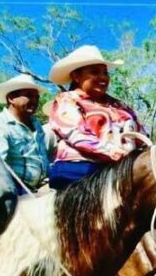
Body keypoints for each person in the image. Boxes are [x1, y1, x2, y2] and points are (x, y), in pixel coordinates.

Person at [47, 45, 143, 190]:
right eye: (94, 72)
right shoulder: (67, 100)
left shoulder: (120, 106)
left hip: (120, 169)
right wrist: (114, 152)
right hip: (79, 169)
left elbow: (141, 136)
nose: (103, 78)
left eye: (105, 73)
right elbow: (77, 135)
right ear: (76, 76)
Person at [0, 73, 54, 193]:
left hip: (40, 187)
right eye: (28, 96)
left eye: (37, 97)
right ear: (11, 99)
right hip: (14, 190)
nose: (34, 101)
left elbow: (41, 158)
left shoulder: (37, 125)